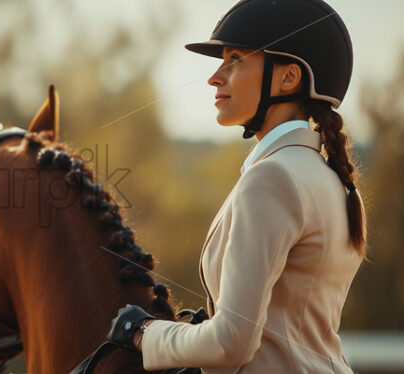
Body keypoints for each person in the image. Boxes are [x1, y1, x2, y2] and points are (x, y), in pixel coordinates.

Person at [107, 0, 366, 373]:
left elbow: (231, 343)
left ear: (288, 78)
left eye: (235, 59)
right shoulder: (334, 182)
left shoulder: (271, 178)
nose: (215, 76)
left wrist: (145, 333)